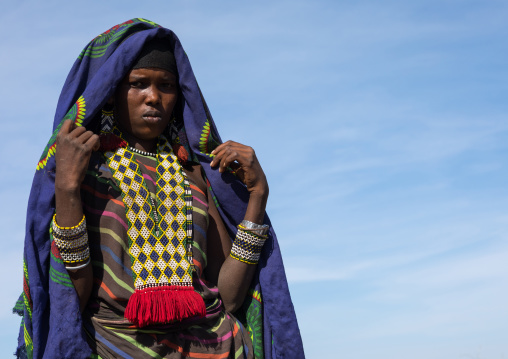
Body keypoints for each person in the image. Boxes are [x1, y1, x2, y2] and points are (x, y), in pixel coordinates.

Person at [14, 18, 304, 359]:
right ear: (111, 90)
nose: (153, 97)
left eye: (166, 85)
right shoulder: (87, 169)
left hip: (217, 348)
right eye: (138, 84)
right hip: (112, 347)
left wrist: (257, 198)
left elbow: (228, 296)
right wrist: (65, 187)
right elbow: (73, 295)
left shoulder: (195, 174)